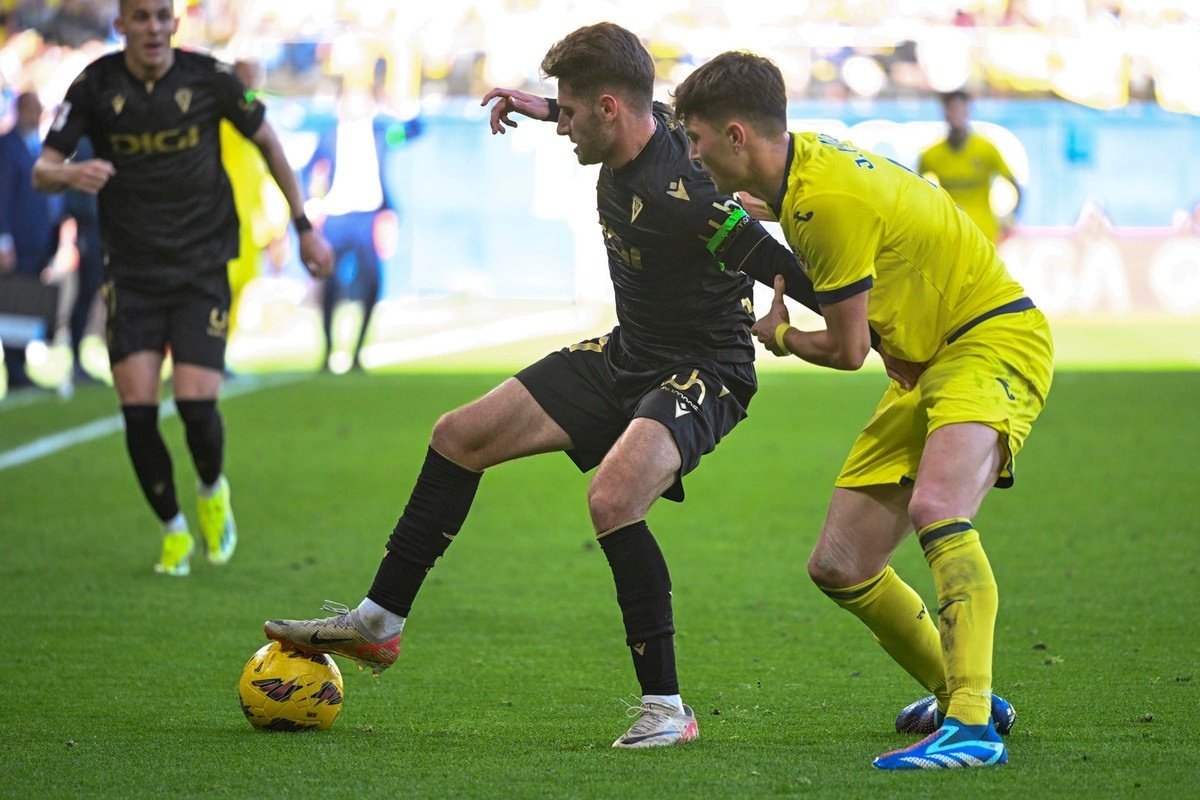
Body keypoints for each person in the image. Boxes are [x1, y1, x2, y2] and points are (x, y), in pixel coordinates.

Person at [264, 22, 837, 749]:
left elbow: (784, 267)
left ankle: (667, 709)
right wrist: (534, 105)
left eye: (567, 113)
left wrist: (888, 338)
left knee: (614, 496)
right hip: (629, 352)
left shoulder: (690, 195)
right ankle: (379, 623)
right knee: (457, 436)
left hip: (707, 368)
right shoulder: (644, 120)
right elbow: (632, 111)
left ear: (606, 110)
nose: (559, 126)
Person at [672, 52, 1053, 769]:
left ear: (734, 136)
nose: (692, 155)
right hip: (928, 363)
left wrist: (777, 333)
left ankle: (970, 730)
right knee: (840, 564)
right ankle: (959, 690)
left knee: (937, 506)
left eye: (695, 140)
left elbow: (848, 351)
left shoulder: (822, 203)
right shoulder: (803, 167)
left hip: (989, 342)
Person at [32, 0, 333, 575]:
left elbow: (270, 142)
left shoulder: (208, 78)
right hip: (133, 271)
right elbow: (42, 169)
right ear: (120, 25)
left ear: (175, 22)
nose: (152, 27)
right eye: (139, 17)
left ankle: (212, 489)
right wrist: (72, 172)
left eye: (161, 16)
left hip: (201, 266)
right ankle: (173, 530)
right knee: (139, 413)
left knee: (196, 407)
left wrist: (302, 228)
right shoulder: (95, 85)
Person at [1, 90, 61, 391]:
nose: (35, 117)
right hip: (18, 241)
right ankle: (13, 369)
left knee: (28, 304)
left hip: (38, 240)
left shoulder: (37, 146)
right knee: (14, 301)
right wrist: (4, 240)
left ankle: (21, 365)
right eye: (30, 110)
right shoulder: (7, 146)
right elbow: (3, 196)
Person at [917, 90, 1021, 244]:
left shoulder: (985, 149)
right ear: (944, 112)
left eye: (959, 109)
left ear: (968, 111)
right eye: (951, 109)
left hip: (983, 233)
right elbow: (917, 191)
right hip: (949, 235)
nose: (955, 115)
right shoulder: (930, 155)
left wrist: (1011, 218)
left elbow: (1016, 186)